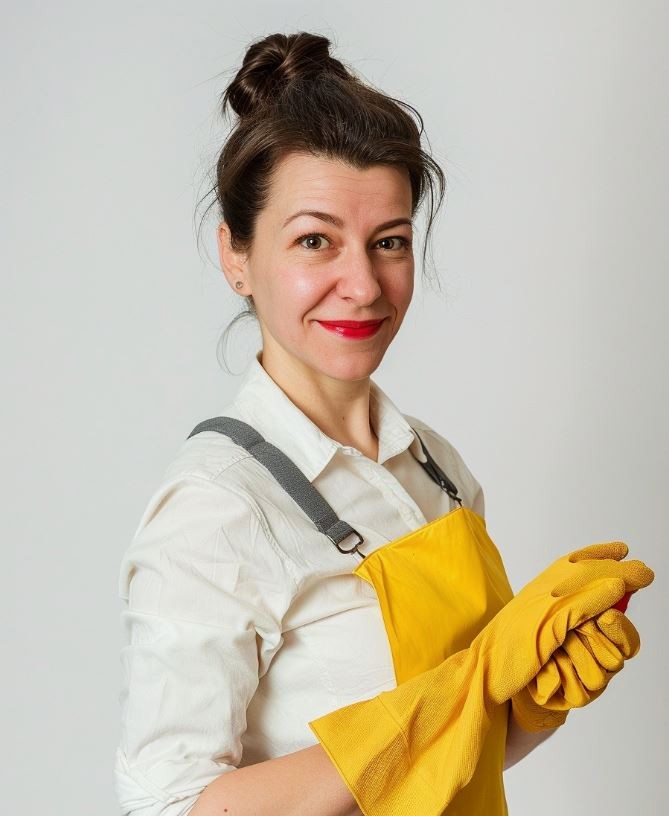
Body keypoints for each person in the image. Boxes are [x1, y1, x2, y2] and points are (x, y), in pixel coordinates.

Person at [115, 31, 653, 816]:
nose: (363, 285)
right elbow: (167, 804)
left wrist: (531, 697)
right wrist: (458, 687)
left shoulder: (433, 463)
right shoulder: (216, 509)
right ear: (235, 254)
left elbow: (448, 762)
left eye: (389, 243)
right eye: (314, 241)